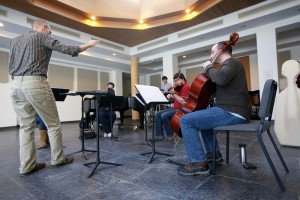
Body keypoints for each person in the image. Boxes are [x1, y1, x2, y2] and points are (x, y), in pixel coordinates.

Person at [9, 18, 100, 176]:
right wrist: (88, 44)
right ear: (44, 27)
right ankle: (58, 159)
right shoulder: (42, 36)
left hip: (16, 85)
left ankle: (27, 166)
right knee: (53, 124)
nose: (50, 34)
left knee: (25, 127)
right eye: (50, 31)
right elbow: (69, 49)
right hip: (35, 82)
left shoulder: (15, 41)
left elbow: (11, 65)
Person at [177, 41, 250, 176]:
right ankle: (214, 154)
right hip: (231, 110)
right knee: (204, 120)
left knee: (186, 121)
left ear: (221, 50)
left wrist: (209, 67)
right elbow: (221, 86)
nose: (211, 55)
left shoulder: (231, 63)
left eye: (212, 52)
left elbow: (221, 79)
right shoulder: (226, 66)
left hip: (232, 112)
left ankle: (198, 162)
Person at [154, 73, 190, 141]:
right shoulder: (178, 88)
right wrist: (171, 97)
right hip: (174, 108)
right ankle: (159, 135)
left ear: (183, 79)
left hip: (182, 109)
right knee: (158, 114)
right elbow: (175, 99)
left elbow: (182, 101)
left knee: (164, 115)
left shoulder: (186, 87)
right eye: (175, 80)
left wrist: (173, 93)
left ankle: (170, 135)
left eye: (177, 80)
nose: (176, 82)